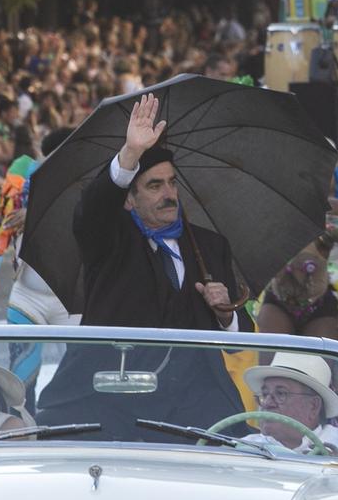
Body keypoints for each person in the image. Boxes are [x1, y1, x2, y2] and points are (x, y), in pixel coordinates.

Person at [34, 93, 252, 439]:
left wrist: (226, 314)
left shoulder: (210, 246)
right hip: (109, 400)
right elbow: (92, 210)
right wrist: (130, 155)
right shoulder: (108, 240)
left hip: (195, 404)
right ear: (129, 200)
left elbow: (242, 341)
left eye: (172, 182)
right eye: (154, 185)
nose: (169, 194)